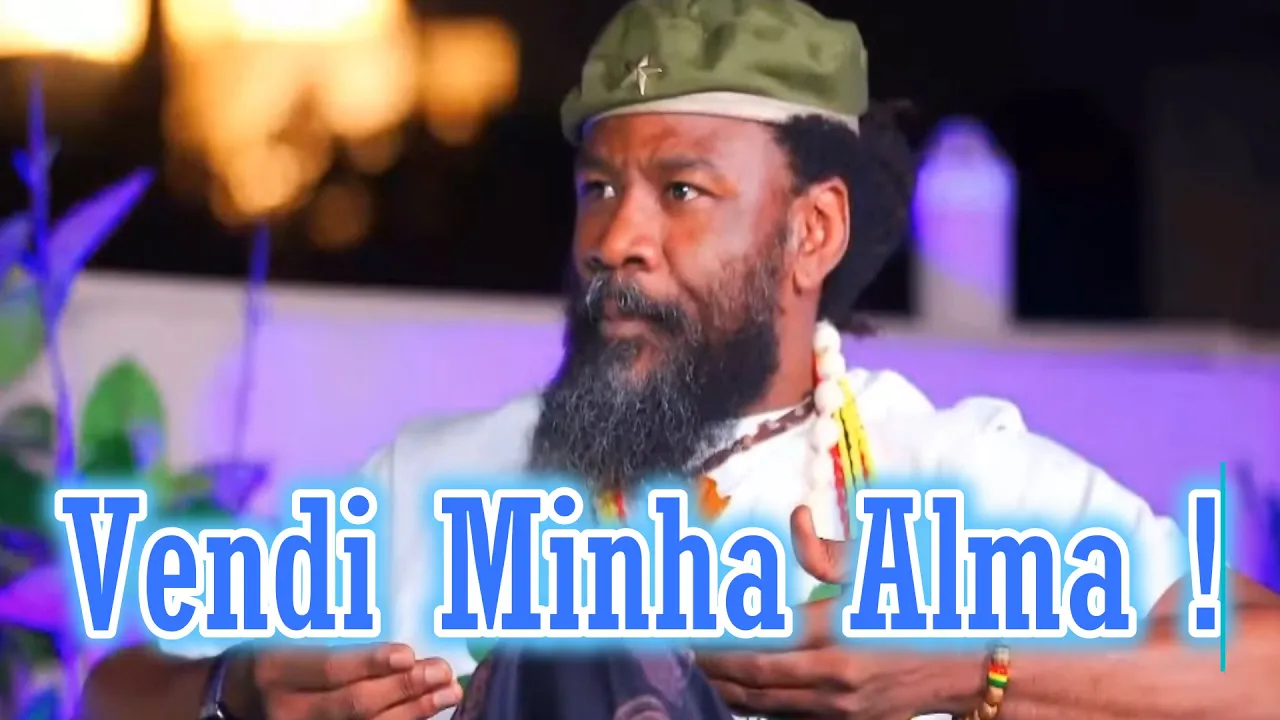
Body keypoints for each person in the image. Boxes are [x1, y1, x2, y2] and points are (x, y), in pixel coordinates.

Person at [81, 0, 1280, 718]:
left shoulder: (953, 478)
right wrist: (237, 694)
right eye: (597, 187)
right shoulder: (444, 479)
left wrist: (972, 665)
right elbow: (112, 690)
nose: (614, 239)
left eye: (681, 191)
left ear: (811, 231)